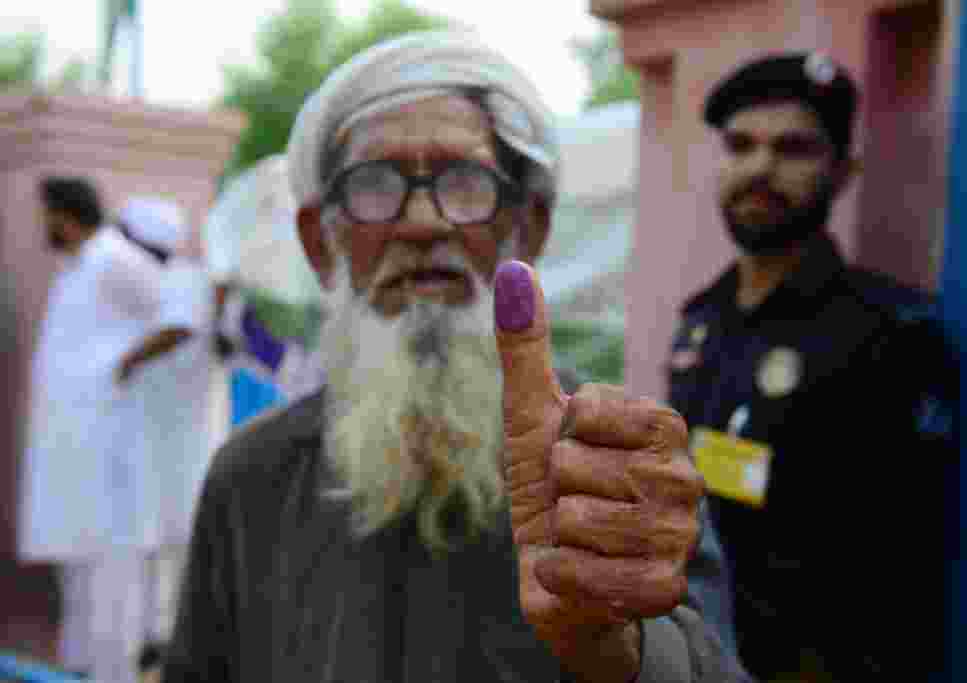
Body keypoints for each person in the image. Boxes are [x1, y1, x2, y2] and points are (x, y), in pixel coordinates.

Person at [163, 30, 750, 683]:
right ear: (320, 240)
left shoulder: (610, 466)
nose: (422, 222)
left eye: (465, 181)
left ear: (529, 225)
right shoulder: (250, 479)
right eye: (376, 183)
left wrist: (622, 652)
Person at [666, 53, 958, 681]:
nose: (760, 168)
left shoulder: (888, 333)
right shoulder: (698, 321)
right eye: (740, 145)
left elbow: (904, 568)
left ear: (843, 171)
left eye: (792, 148)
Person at [19, 178, 165, 683]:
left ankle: (115, 673)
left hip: (109, 444)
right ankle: (79, 668)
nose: (42, 225)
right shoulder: (76, 266)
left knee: (110, 566)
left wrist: (125, 365)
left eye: (45, 214)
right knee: (78, 559)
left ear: (64, 214)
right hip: (73, 444)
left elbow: (173, 311)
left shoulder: (115, 258)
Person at [115, 197, 229, 669]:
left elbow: (181, 329)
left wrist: (126, 362)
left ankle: (167, 638)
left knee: (178, 534)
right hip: (160, 427)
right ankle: (152, 636)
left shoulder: (185, 278)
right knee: (157, 535)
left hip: (182, 427)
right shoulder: (160, 281)